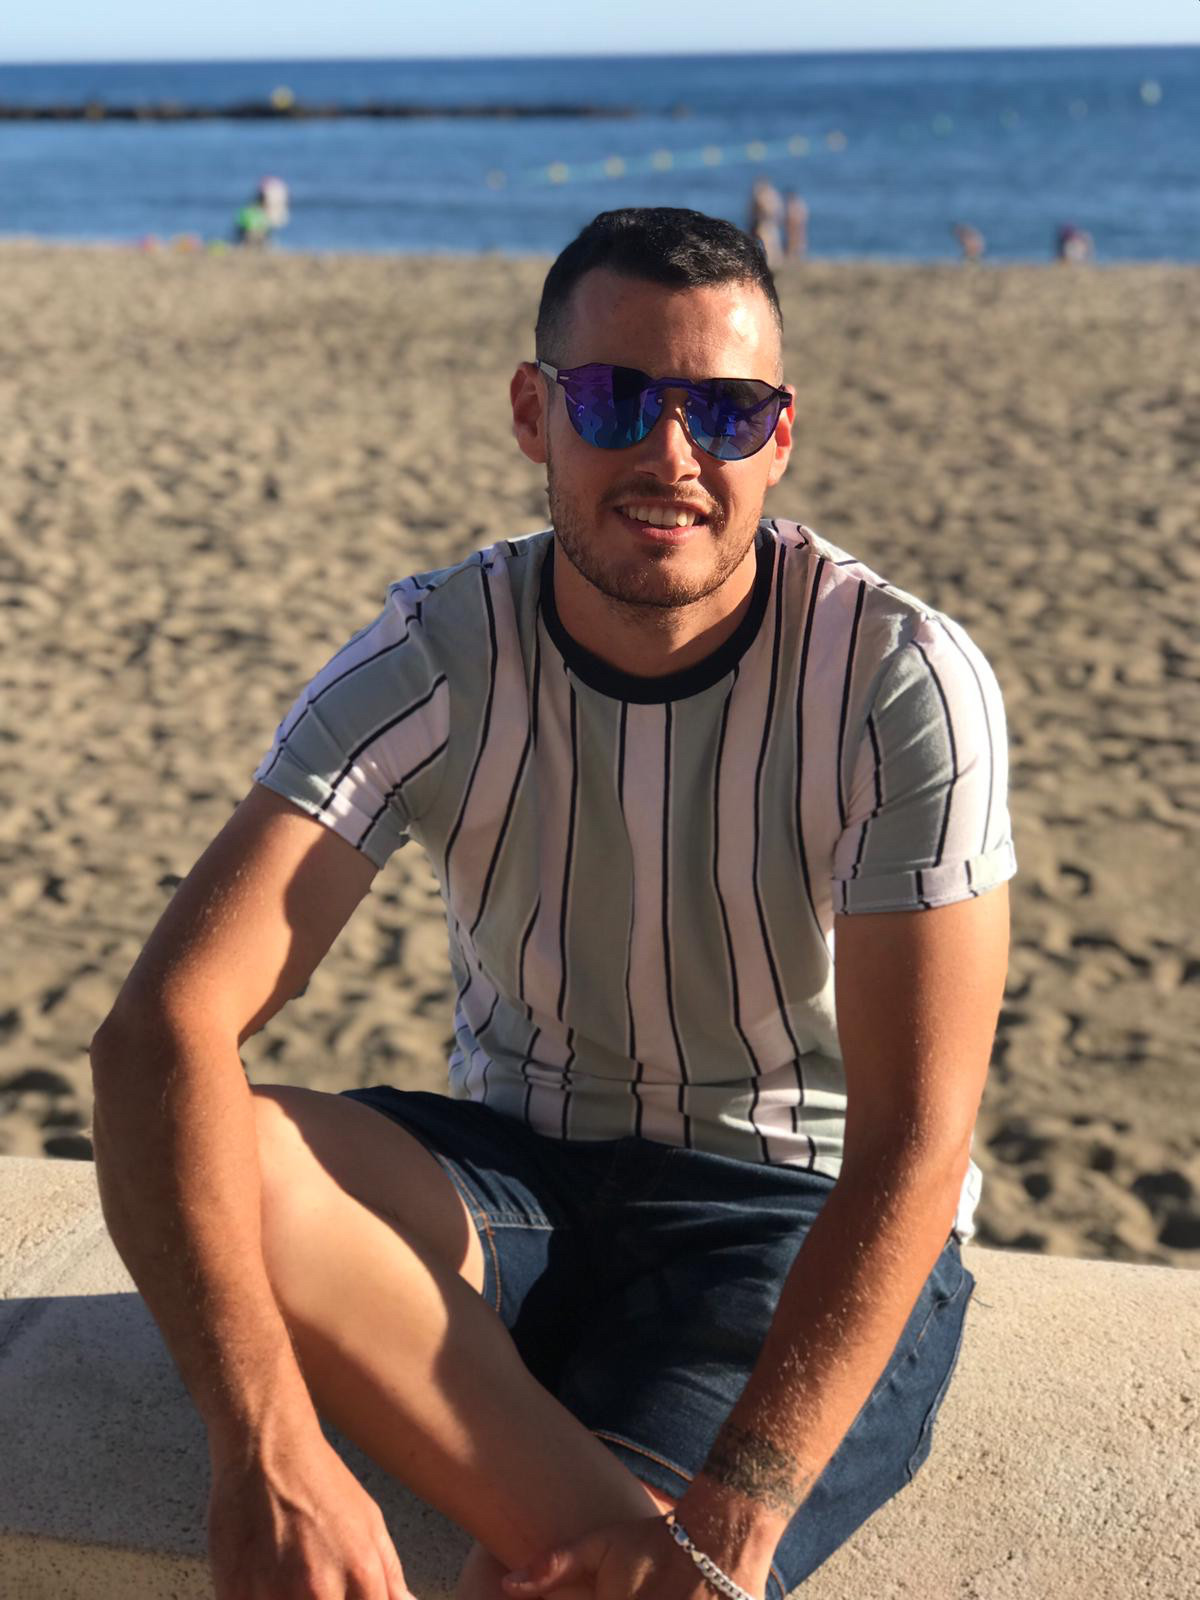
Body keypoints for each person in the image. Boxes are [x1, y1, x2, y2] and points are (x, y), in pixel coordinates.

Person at [90, 207, 1015, 1600]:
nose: (674, 454)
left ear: (780, 436)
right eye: (617, 400)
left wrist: (729, 1527)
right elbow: (157, 1034)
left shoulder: (896, 680)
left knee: (591, 1579)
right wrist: (267, 1449)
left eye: (726, 410)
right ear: (535, 412)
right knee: (243, 1148)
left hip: (787, 1213)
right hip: (511, 1176)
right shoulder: (443, 651)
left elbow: (915, 1146)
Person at [747, 177, 783, 266]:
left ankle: (771, 264)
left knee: (768, 246)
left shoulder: (765, 196)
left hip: (765, 224)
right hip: (763, 224)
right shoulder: (769, 196)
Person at [783, 191, 808, 260]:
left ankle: (797, 258)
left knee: (797, 245)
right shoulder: (796, 204)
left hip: (796, 229)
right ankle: (793, 258)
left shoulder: (795, 205)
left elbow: (797, 218)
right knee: (792, 245)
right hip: (793, 230)